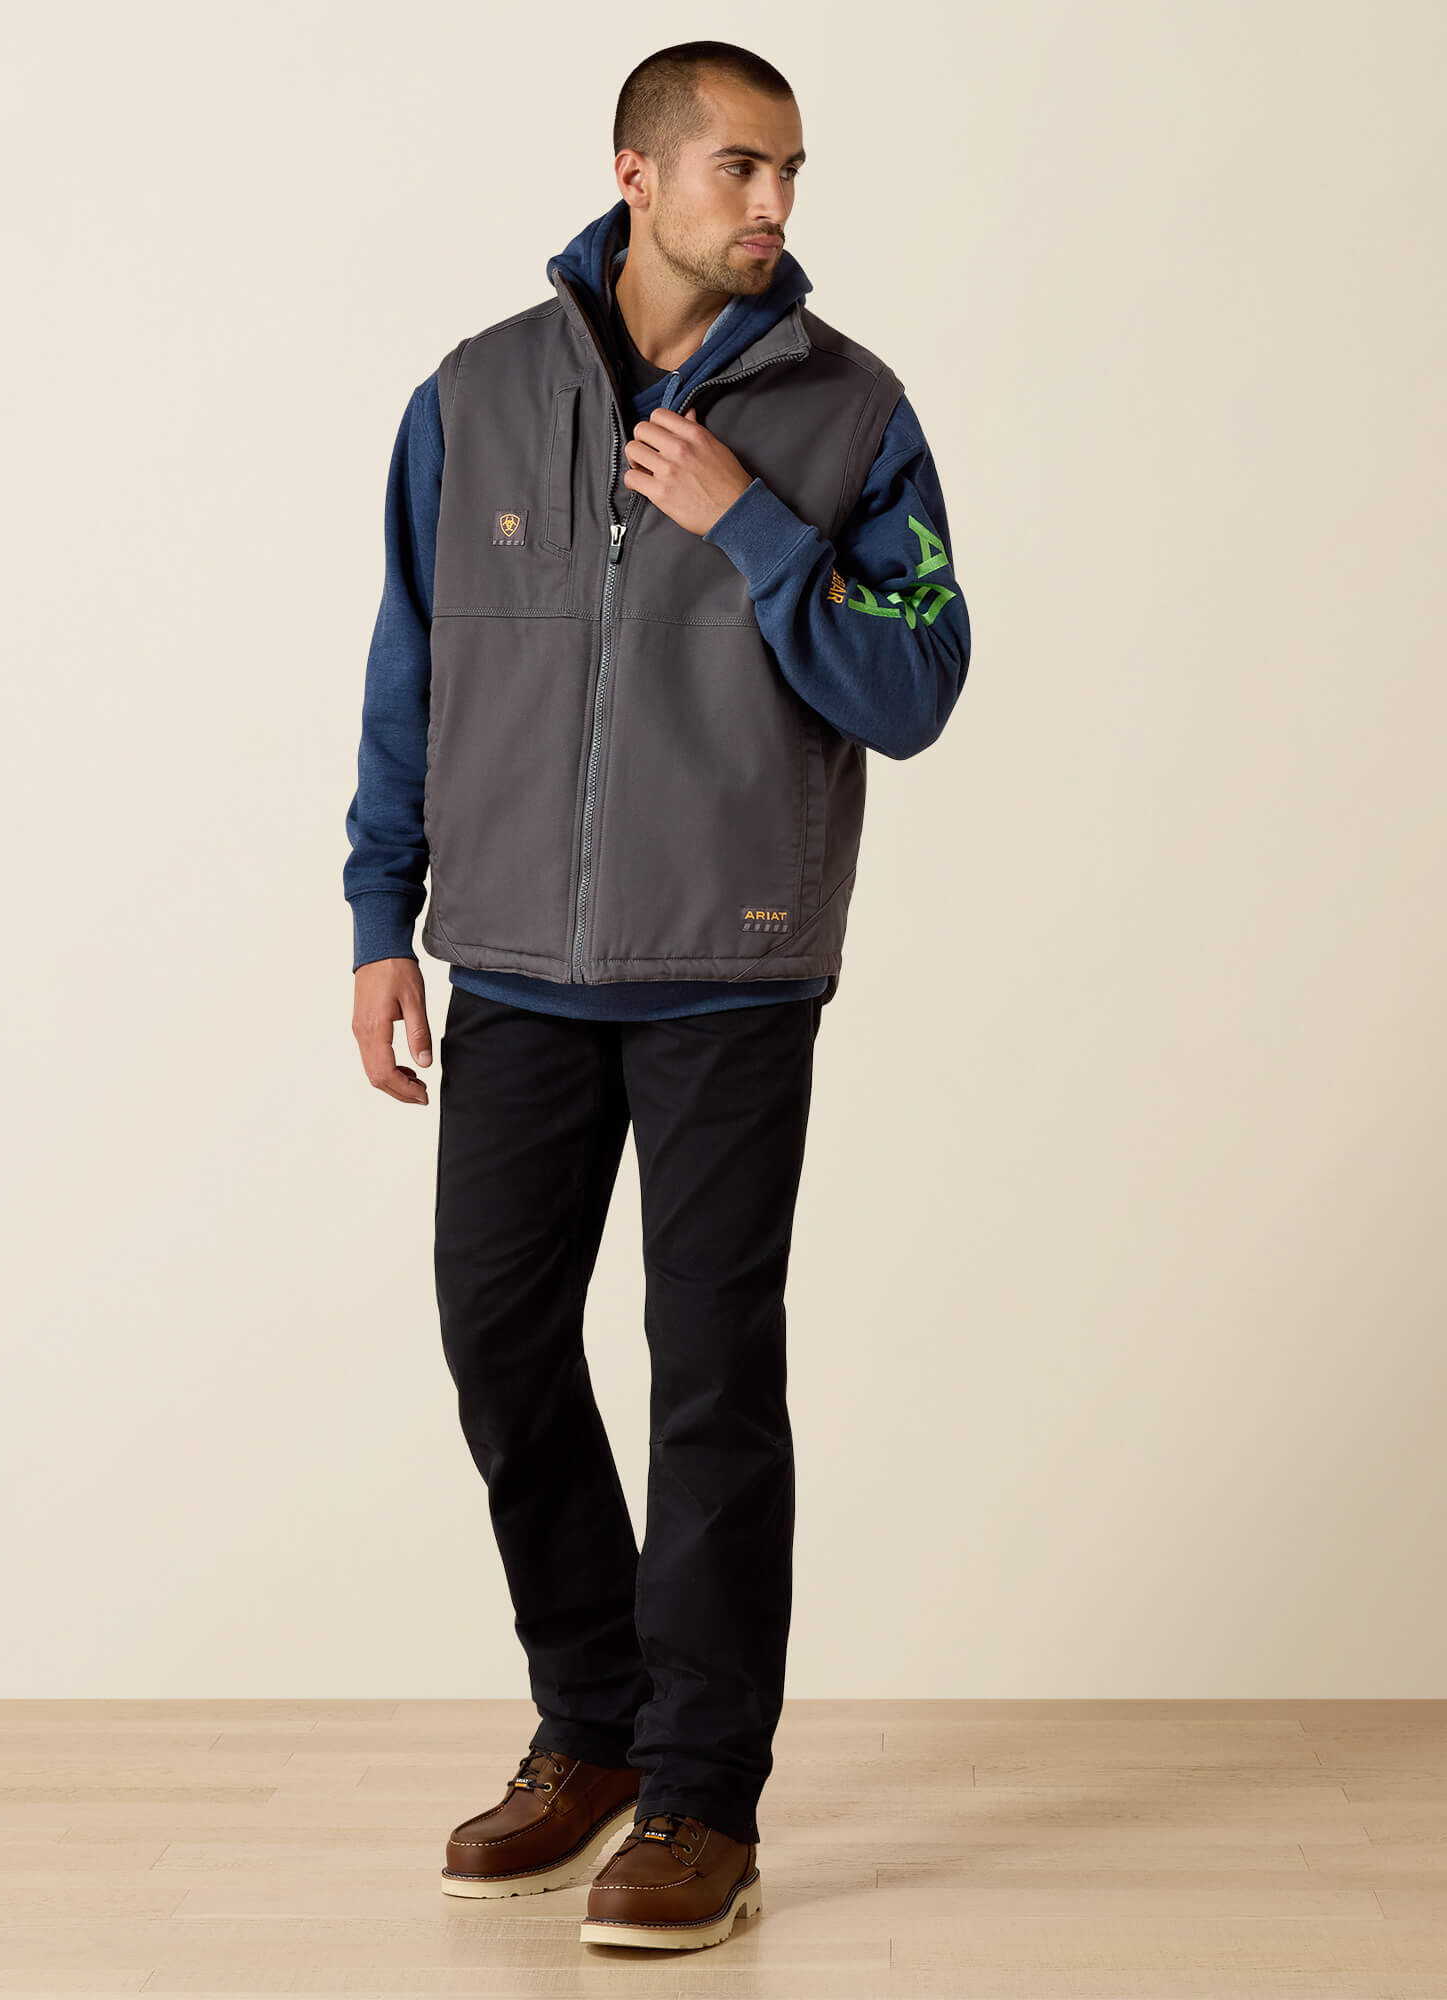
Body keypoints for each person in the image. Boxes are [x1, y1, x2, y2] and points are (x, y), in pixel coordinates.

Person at [343, 40, 970, 1954]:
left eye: (792, 173)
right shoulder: (474, 396)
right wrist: (380, 916)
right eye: (737, 168)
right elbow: (410, 665)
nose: (773, 204)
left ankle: (705, 1796)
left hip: (729, 969)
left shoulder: (851, 411)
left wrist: (751, 523)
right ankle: (595, 1725)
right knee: (497, 1340)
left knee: (708, 1384)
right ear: (636, 172)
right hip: (518, 967)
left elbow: (917, 683)